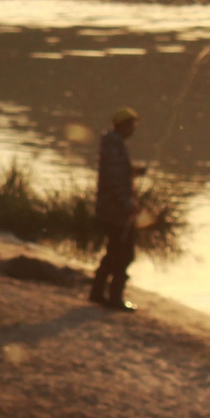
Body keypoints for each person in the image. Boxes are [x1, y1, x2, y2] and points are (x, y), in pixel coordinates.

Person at [90, 107, 145, 311]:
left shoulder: (114, 144)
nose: (134, 129)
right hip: (115, 212)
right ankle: (114, 298)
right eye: (131, 125)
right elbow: (113, 180)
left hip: (112, 210)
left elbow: (116, 171)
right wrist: (127, 203)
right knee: (124, 254)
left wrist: (134, 171)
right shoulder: (114, 145)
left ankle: (98, 293)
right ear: (122, 125)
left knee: (113, 251)